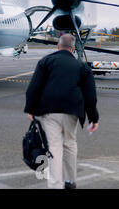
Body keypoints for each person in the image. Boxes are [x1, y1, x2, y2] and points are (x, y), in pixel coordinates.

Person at [24, 34, 99, 189]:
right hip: (72, 111)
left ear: (58, 46)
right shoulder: (82, 66)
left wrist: (30, 109)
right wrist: (94, 118)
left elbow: (33, 88)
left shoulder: (46, 62)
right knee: (70, 144)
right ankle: (70, 180)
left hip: (49, 111)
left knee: (54, 147)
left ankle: (55, 185)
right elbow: (90, 95)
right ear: (72, 49)